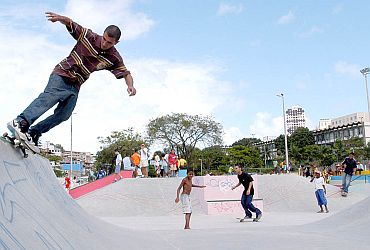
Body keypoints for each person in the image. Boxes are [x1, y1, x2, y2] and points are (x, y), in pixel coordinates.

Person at [7, 11, 136, 146]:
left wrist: (130, 86)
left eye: (109, 43)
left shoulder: (114, 57)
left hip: (75, 85)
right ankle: (20, 122)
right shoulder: (88, 35)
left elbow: (126, 73)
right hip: (63, 74)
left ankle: (33, 132)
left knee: (64, 115)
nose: (105, 43)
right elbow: (71, 23)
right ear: (102, 34)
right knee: (49, 98)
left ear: (116, 42)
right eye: (104, 39)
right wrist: (60, 18)